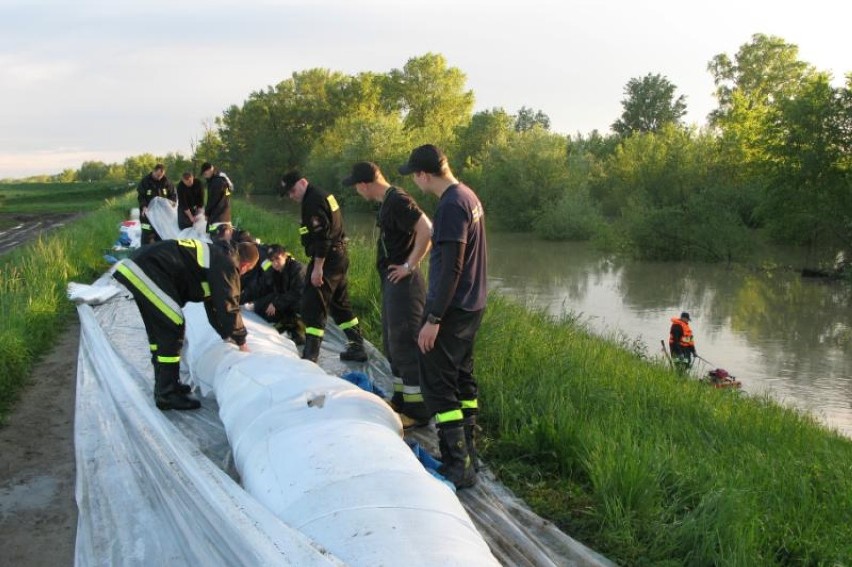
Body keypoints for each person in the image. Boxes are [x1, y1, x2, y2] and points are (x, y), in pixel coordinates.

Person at [398, 144, 487, 489]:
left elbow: (451, 267)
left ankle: (457, 464)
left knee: (438, 382)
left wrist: (433, 318)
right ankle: (469, 453)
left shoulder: (450, 206)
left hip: (451, 309)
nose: (415, 182)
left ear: (423, 175)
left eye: (414, 176)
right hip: (472, 304)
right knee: (463, 378)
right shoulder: (468, 196)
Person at [113, 238, 259, 410]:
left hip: (140, 265)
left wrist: (227, 335)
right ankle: (167, 394)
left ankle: (167, 385)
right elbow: (228, 306)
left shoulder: (219, 256)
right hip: (149, 269)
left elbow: (214, 307)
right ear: (246, 266)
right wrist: (241, 340)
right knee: (172, 325)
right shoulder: (227, 265)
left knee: (160, 331)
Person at [343, 161, 432, 427]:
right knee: (392, 343)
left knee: (405, 344)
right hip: (393, 282)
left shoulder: (398, 200)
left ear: (363, 184)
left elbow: (427, 229)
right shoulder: (387, 202)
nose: (357, 191)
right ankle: (401, 400)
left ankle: (418, 413)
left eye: (356, 187)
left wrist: (409, 265)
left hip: (405, 284)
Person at [280, 170, 367, 363]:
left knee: (313, 304)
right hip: (339, 255)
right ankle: (357, 347)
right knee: (339, 304)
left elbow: (323, 238)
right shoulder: (322, 195)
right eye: (289, 194)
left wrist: (318, 267)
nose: (292, 196)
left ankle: (311, 356)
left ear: (303, 182)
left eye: (293, 191)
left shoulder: (312, 201)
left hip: (327, 259)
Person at [242, 244, 307, 345]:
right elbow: (260, 287)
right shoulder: (274, 272)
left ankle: (298, 327)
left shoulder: (297, 269)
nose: (275, 263)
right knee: (260, 307)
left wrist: (276, 303)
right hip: (284, 300)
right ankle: (286, 321)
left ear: (285, 256)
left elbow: (298, 293)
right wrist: (239, 299)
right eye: (272, 260)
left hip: (303, 302)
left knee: (298, 304)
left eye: (277, 258)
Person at [137, 164, 176, 244]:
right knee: (147, 232)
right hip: (147, 212)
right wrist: (144, 206)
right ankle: (145, 250)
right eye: (158, 175)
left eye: (161, 175)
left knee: (161, 233)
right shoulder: (145, 181)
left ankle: (159, 251)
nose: (159, 177)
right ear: (153, 171)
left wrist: (172, 203)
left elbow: (173, 195)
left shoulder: (166, 182)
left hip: (162, 214)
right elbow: (141, 196)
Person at [200, 162, 233, 237]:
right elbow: (228, 195)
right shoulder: (224, 180)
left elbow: (212, 200)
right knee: (226, 239)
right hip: (226, 217)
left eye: (205, 174)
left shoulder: (215, 182)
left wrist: (207, 213)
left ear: (209, 170)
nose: (205, 177)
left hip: (216, 218)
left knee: (213, 238)